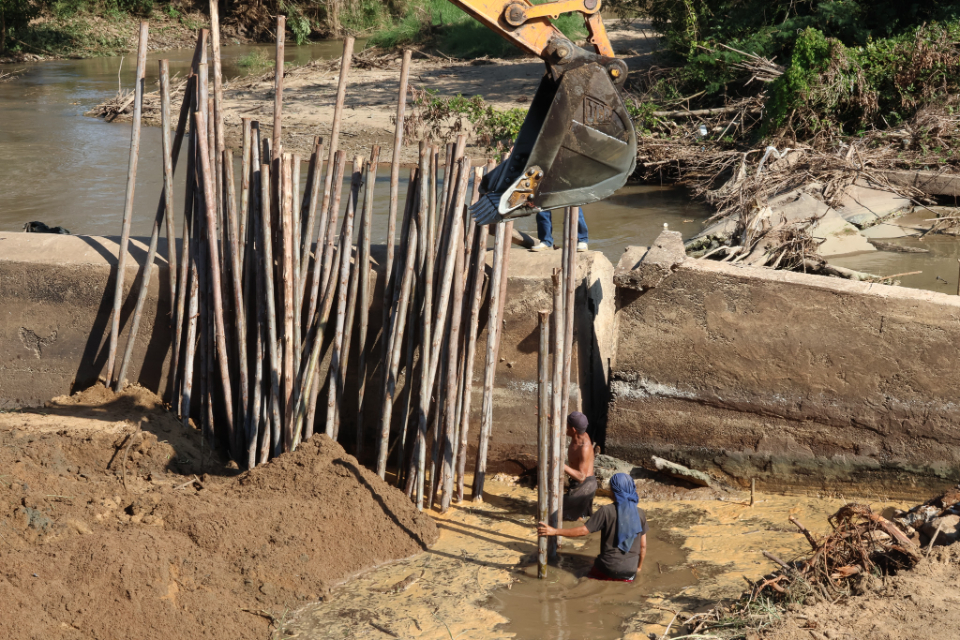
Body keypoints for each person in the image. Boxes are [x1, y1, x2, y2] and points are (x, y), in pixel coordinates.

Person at [537, 473, 647, 582]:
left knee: (582, 575)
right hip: (629, 573)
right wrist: (638, 568)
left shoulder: (606, 511)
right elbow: (643, 546)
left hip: (607, 569)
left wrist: (554, 531)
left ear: (614, 491)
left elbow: (583, 531)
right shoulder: (641, 514)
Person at [563, 411, 597, 520]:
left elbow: (581, 477)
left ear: (573, 430)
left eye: (566, 426)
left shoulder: (584, 447)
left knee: (554, 509)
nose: (564, 427)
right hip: (577, 483)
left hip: (585, 485)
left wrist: (561, 466)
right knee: (578, 517)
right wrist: (548, 416)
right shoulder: (579, 434)